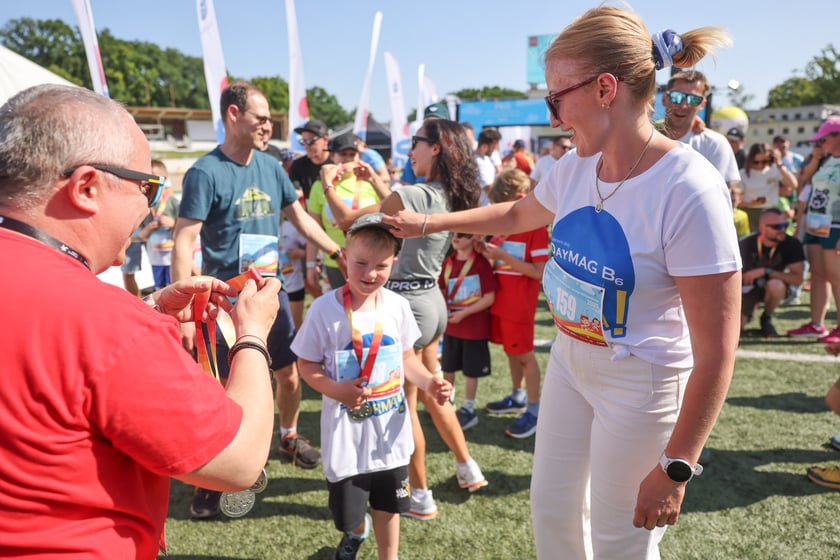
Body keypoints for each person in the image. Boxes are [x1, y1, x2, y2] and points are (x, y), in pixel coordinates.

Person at [384, 9, 741, 558]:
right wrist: (428, 223)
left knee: (622, 542)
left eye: (556, 99)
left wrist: (677, 466)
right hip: (572, 362)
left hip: (643, 381)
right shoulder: (577, 165)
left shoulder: (689, 188)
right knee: (553, 515)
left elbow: (717, 351)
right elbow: (515, 214)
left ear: (605, 89)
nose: (553, 118)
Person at [0, 83, 282, 558]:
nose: (151, 205)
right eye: (147, 187)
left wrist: (146, 314)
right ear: (87, 187)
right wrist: (251, 335)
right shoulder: (104, 322)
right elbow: (238, 462)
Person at [172, 81, 346, 518]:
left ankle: (288, 435)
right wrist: (185, 316)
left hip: (271, 296)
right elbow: (184, 240)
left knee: (288, 375)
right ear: (234, 115)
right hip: (224, 304)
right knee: (224, 390)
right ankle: (214, 476)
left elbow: (299, 218)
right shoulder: (205, 172)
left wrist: (337, 251)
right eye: (261, 118)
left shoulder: (271, 167)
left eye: (269, 119)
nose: (269, 126)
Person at [322, 118, 489, 519]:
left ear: (435, 148)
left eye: (416, 142)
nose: (410, 150)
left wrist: (327, 184)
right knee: (433, 388)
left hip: (405, 304)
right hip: (431, 300)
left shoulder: (412, 193)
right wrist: (382, 186)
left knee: (407, 406)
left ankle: (421, 494)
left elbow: (347, 222)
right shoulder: (447, 193)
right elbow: (404, 206)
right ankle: (467, 466)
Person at [293, 213, 451, 560]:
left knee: (389, 506)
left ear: (394, 262)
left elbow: (407, 358)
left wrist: (429, 382)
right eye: (361, 263)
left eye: (381, 265)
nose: (370, 273)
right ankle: (356, 530)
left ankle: (388, 556)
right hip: (346, 441)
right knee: (347, 517)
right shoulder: (323, 310)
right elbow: (306, 365)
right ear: (345, 257)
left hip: (390, 437)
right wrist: (337, 390)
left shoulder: (397, 306)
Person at [480, 169, 550, 439]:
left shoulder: (535, 229)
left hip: (519, 306)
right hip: (502, 303)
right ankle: (518, 396)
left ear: (520, 198)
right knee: (511, 352)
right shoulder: (506, 227)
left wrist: (502, 255)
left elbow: (539, 272)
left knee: (524, 355)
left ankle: (534, 410)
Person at [306, 131, 391, 289]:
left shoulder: (369, 182)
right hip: (335, 260)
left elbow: (393, 207)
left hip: (369, 261)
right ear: (333, 156)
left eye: (352, 154)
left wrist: (374, 178)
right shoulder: (319, 186)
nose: (348, 159)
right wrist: (311, 264)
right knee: (338, 304)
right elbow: (314, 228)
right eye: (343, 154)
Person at [787, 117, 840, 341]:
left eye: (823, 139)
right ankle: (817, 324)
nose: (819, 144)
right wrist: (816, 158)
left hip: (836, 225)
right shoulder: (824, 159)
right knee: (818, 275)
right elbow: (803, 184)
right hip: (816, 224)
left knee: (836, 277)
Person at [438, 232, 497, 430]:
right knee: (448, 368)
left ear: (474, 238)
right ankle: (447, 402)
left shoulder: (481, 263)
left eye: (463, 234)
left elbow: (489, 297)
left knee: (471, 372)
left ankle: (468, 409)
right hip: (452, 327)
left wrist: (463, 314)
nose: (457, 237)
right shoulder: (448, 262)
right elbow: (441, 289)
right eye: (454, 233)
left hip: (474, 329)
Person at [661, 70, 740, 191]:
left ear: (702, 104)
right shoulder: (645, 139)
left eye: (693, 100)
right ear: (665, 99)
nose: (683, 106)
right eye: (676, 97)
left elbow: (720, 193)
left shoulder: (714, 144)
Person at [739, 208, 805, 337]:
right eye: (777, 227)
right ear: (762, 228)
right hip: (746, 289)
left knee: (776, 285)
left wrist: (765, 271)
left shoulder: (792, 244)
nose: (783, 229)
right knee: (736, 329)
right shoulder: (746, 243)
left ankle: (767, 316)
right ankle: (747, 313)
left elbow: (798, 279)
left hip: (772, 288)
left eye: (785, 225)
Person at [739, 142, 799, 232]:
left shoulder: (775, 169)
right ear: (750, 159)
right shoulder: (743, 174)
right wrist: (753, 203)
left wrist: (779, 163)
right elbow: (737, 201)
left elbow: (793, 184)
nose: (760, 165)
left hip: (772, 212)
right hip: (750, 213)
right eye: (755, 162)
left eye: (764, 162)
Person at [138, 159, 179, 289]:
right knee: (159, 289)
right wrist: (149, 228)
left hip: (173, 256)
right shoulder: (144, 205)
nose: (149, 180)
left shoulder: (173, 202)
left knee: (174, 288)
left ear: (164, 179)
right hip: (155, 258)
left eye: (153, 176)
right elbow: (141, 235)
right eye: (147, 176)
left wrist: (173, 223)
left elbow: (184, 229)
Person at [288, 118, 331, 203]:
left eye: (311, 141)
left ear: (325, 140)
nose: (306, 146)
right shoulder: (298, 166)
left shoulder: (337, 162)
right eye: (303, 141)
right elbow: (295, 191)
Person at [475, 127, 502, 206]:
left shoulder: (486, 158)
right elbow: (488, 188)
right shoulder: (478, 162)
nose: (495, 149)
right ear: (484, 146)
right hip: (484, 207)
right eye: (493, 146)